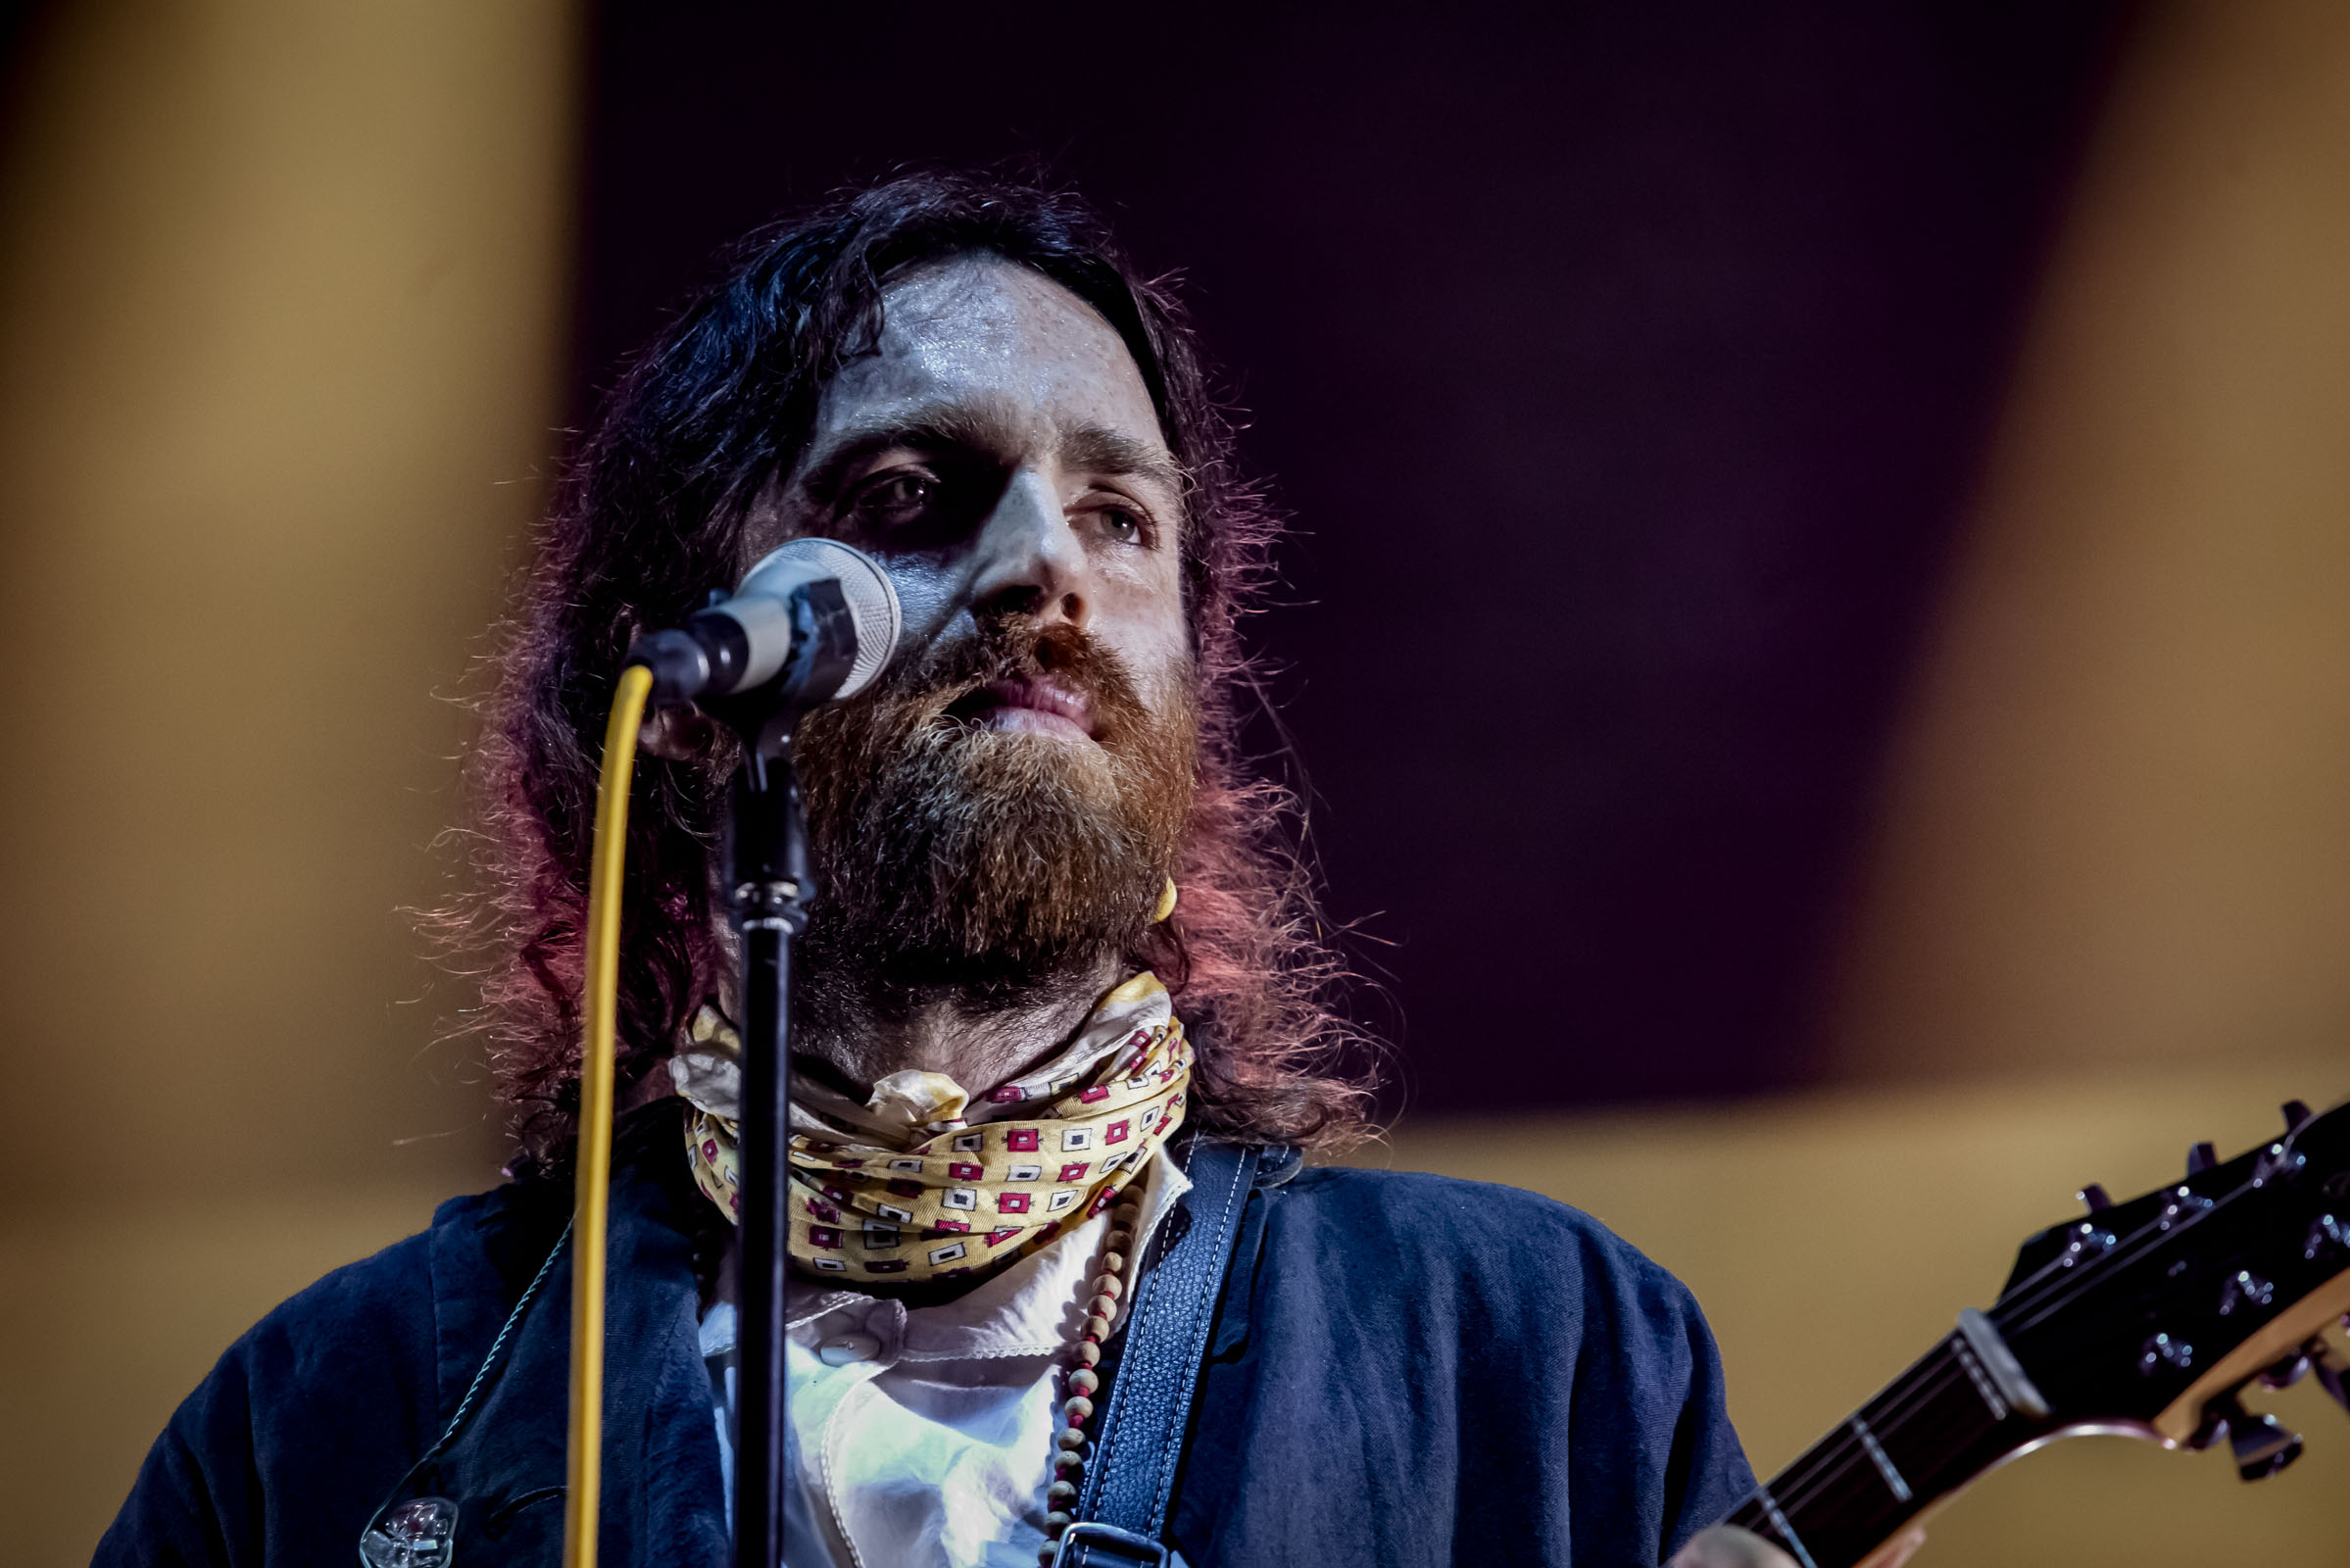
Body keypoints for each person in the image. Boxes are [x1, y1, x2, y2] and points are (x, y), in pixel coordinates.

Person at [96, 172, 1850, 1568]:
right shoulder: (327, 1419)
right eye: (912, 492)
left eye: (1120, 517)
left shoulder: (1537, 1357)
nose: (1044, 570)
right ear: (688, 694)